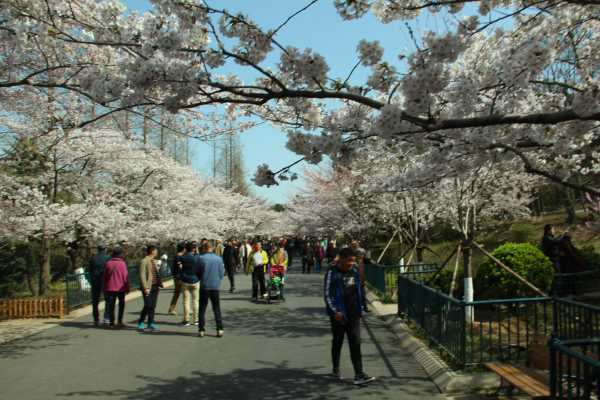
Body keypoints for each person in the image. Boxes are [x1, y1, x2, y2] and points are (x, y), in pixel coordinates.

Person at [324, 247, 375, 386]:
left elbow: (359, 289)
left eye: (353, 261)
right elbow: (327, 294)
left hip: (353, 314)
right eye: (349, 261)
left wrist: (361, 308)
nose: (351, 263)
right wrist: (335, 311)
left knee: (356, 343)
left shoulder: (354, 270)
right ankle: (336, 367)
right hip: (339, 315)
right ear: (341, 259)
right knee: (338, 341)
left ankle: (359, 374)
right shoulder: (332, 272)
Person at [197, 242, 225, 337]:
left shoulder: (201, 258)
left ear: (204, 248)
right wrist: (217, 279)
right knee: (216, 308)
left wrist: (201, 278)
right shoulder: (218, 259)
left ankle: (201, 330)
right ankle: (219, 329)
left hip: (204, 286)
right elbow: (221, 273)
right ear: (212, 248)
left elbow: (197, 272)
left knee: (202, 309)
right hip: (215, 286)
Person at [138, 245, 163, 331]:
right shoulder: (144, 261)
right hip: (148, 286)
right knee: (147, 305)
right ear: (152, 251)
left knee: (153, 305)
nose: (157, 252)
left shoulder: (155, 261)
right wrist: (145, 287)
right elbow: (142, 275)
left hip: (155, 285)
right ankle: (141, 322)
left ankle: (150, 322)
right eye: (156, 251)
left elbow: (156, 273)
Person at [103, 247, 129, 329]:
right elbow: (125, 277)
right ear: (120, 254)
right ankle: (119, 321)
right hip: (121, 288)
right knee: (121, 305)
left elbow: (105, 277)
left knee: (111, 306)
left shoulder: (108, 263)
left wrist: (104, 288)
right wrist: (127, 287)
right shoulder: (122, 264)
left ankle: (111, 323)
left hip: (110, 288)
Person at [179, 242, 201, 326]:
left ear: (186, 249)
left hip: (185, 281)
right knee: (195, 301)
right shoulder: (197, 257)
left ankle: (186, 320)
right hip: (195, 280)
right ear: (194, 249)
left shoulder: (183, 258)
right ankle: (196, 320)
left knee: (186, 301)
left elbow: (180, 268)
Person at [88, 244, 111, 327]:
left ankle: (96, 319)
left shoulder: (93, 258)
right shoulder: (108, 258)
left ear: (98, 249)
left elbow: (90, 270)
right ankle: (106, 318)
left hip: (95, 281)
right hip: (105, 282)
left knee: (95, 301)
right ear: (105, 249)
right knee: (108, 300)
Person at [351, 240, 370, 312]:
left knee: (361, 291)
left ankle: (363, 306)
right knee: (358, 291)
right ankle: (362, 306)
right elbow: (367, 260)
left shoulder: (359, 260)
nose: (360, 255)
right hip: (356, 276)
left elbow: (367, 260)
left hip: (360, 276)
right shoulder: (353, 260)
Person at [167, 242, 185, 315]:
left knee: (183, 292)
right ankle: (171, 309)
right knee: (177, 293)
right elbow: (180, 266)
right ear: (183, 249)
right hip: (178, 277)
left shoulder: (179, 256)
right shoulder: (178, 256)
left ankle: (185, 308)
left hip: (179, 276)